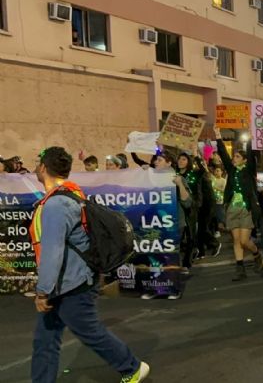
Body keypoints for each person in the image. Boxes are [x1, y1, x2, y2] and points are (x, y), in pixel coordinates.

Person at [29, 147, 150, 382]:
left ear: (43, 168)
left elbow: (52, 251)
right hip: (67, 282)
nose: (35, 168)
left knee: (90, 332)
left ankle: (132, 367)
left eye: (37, 164)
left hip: (72, 285)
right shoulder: (72, 194)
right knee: (45, 339)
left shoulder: (55, 205)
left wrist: (42, 291)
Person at [142, 151, 192, 300]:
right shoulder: (150, 178)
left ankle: (172, 288)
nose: (156, 162)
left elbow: (188, 202)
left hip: (174, 222)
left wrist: (179, 185)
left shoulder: (177, 178)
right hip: (155, 222)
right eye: (155, 160)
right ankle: (155, 287)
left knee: (170, 256)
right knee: (154, 255)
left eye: (160, 160)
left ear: (169, 163)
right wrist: (142, 174)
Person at [215, 128, 263, 281]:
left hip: (245, 209)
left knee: (244, 241)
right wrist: (218, 137)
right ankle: (240, 269)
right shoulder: (231, 170)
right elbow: (222, 153)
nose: (234, 158)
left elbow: (250, 153)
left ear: (244, 160)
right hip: (232, 209)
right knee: (236, 241)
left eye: (237, 156)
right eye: (234, 156)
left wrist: (250, 139)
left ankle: (256, 253)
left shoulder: (249, 171)